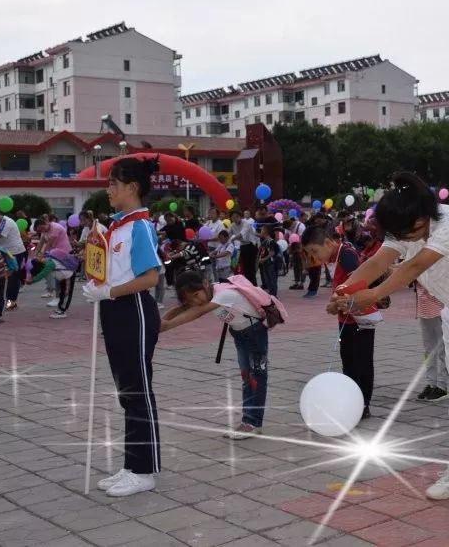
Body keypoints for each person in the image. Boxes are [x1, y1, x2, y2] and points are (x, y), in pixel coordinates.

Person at [332, 172, 449, 509]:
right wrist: (343, 292)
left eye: (408, 232)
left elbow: (412, 267)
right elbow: (377, 262)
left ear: (422, 217)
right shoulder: (408, 224)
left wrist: (369, 296)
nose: (404, 239)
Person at [81, 157, 164, 498]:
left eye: (113, 183)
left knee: (138, 391)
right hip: (114, 310)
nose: (108, 189)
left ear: (132, 188)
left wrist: (109, 291)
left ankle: (144, 471)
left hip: (134, 310)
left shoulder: (140, 227)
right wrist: (97, 284)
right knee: (127, 392)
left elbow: (150, 277)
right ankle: (131, 465)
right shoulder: (116, 226)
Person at [161, 271, 271, 438]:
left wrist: (168, 326)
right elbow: (183, 308)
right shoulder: (208, 294)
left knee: (256, 378)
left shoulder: (224, 294)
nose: (196, 301)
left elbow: (197, 312)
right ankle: (249, 421)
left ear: (206, 283)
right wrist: (162, 321)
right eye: (191, 299)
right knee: (247, 378)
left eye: (197, 295)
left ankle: (253, 423)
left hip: (255, 333)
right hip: (240, 334)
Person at [305, 225, 382, 417]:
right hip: (347, 317)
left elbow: (358, 285)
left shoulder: (346, 254)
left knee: (360, 362)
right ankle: (353, 401)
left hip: (358, 319)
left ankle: (362, 405)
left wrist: (335, 304)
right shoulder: (336, 255)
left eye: (315, 251)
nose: (315, 257)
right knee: (348, 361)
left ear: (328, 242)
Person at [414, 281, 449, 402]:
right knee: (429, 350)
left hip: (439, 307)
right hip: (424, 308)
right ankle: (431, 383)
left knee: (442, 350)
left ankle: (442, 385)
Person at [26, 249, 81, 319]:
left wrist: (32, 281)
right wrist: (32, 278)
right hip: (64, 277)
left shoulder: (49, 264)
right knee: (62, 293)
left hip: (68, 276)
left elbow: (42, 274)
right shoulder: (46, 261)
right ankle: (60, 309)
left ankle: (62, 311)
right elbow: (40, 273)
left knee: (66, 294)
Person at [231, 210, 260, 287]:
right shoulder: (232, 225)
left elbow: (241, 234)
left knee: (251, 269)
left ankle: (254, 286)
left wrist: (232, 239)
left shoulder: (246, 224)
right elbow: (227, 233)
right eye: (233, 217)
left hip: (251, 246)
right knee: (245, 269)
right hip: (243, 246)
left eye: (237, 217)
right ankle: (248, 286)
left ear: (240, 217)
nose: (235, 219)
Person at [258, 224, 278, 297]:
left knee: (271, 279)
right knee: (267, 279)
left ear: (266, 232)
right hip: (265, 263)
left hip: (270, 263)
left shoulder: (270, 241)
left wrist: (263, 259)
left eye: (262, 230)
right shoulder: (264, 241)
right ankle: (271, 293)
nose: (261, 231)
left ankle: (273, 295)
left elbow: (272, 253)